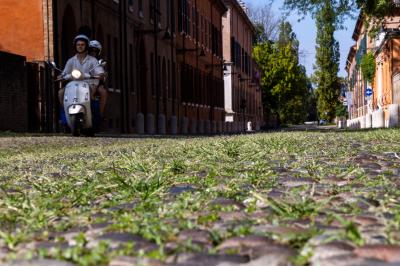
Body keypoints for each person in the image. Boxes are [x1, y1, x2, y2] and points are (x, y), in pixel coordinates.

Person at [58, 35, 105, 106]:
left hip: (89, 84)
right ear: (75, 46)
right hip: (73, 84)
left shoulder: (93, 60)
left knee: (87, 94)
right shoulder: (71, 60)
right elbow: (65, 73)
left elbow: (100, 72)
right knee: (61, 93)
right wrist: (61, 76)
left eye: (82, 45)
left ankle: (95, 113)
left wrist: (99, 75)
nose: (80, 46)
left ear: (86, 46)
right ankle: (65, 113)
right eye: (78, 45)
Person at [89, 40, 108, 118]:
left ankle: (100, 114)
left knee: (102, 92)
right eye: (91, 50)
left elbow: (103, 73)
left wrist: (102, 75)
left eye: (95, 50)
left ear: (98, 51)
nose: (93, 52)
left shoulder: (100, 61)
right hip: (83, 81)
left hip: (96, 82)